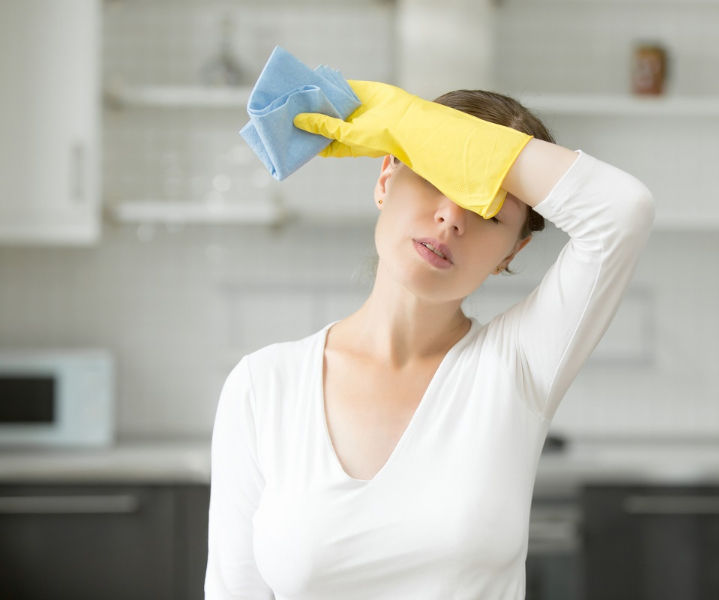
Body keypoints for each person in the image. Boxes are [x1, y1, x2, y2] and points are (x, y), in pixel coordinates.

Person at [205, 79, 655, 599]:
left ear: (512, 252)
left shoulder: (516, 366)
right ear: (384, 178)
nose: (451, 218)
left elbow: (623, 211)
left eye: (487, 210)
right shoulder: (264, 387)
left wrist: (411, 123)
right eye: (437, 177)